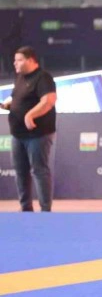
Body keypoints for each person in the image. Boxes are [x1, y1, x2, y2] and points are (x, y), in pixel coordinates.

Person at [0, 46, 57, 212]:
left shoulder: (43, 77)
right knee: (20, 172)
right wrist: (7, 105)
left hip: (38, 134)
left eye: (19, 60)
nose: (15, 63)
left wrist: (30, 115)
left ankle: (45, 211)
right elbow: (18, 98)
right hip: (18, 135)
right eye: (15, 60)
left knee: (40, 171)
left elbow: (49, 100)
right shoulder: (20, 77)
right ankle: (26, 208)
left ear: (30, 60)